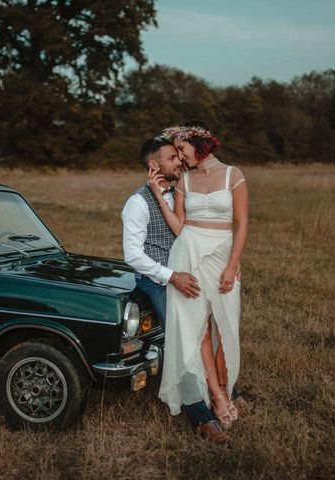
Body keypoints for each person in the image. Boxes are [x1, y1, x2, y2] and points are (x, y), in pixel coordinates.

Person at [121, 136, 230, 441]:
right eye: (171, 158)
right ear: (153, 165)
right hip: (158, 282)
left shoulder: (182, 192)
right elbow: (132, 255)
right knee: (186, 343)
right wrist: (171, 277)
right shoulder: (137, 203)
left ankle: (222, 393)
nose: (179, 161)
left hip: (189, 278)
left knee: (209, 332)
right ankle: (202, 418)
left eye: (178, 156)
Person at [150, 121, 248, 430]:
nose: (179, 157)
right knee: (199, 326)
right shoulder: (185, 181)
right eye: (176, 152)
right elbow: (180, 227)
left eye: (181, 149)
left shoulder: (234, 175)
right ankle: (218, 397)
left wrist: (233, 264)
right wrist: (156, 193)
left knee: (226, 326)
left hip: (222, 258)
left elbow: (242, 224)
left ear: (199, 144)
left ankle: (225, 382)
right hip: (189, 253)